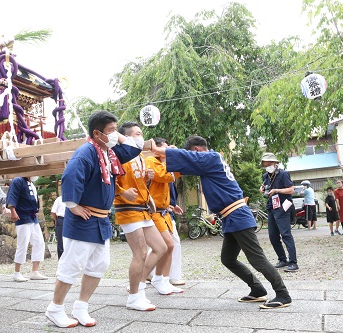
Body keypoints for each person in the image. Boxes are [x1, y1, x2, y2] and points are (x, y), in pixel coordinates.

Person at [151, 136, 292, 309]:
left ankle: (283, 294)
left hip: (238, 215)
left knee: (256, 258)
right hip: (231, 217)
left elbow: (186, 158)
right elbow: (183, 165)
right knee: (228, 259)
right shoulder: (211, 162)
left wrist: (155, 149)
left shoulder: (211, 157)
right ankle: (257, 289)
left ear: (196, 150)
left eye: (192, 154)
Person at [45, 111, 141, 328]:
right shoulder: (86, 151)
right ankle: (55, 308)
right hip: (83, 219)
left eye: (116, 130)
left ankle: (81, 306)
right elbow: (70, 176)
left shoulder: (109, 153)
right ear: (97, 133)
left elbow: (136, 146)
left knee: (99, 265)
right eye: (111, 130)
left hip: (101, 220)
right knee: (72, 265)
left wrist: (120, 136)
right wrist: (72, 205)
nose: (115, 134)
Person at [113, 122, 167, 311]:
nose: (141, 136)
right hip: (127, 208)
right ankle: (134, 297)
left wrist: (148, 176)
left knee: (161, 247)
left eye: (141, 133)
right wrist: (121, 192)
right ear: (127, 137)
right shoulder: (118, 154)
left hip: (143, 207)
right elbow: (107, 181)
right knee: (140, 253)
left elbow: (139, 182)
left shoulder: (141, 156)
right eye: (136, 134)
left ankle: (139, 287)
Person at [145, 137, 185, 292]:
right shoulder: (151, 161)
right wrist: (173, 158)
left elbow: (168, 181)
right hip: (154, 212)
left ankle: (164, 279)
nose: (167, 151)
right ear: (157, 150)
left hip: (164, 211)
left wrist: (171, 205)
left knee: (170, 246)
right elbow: (164, 176)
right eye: (165, 148)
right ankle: (144, 280)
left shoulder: (162, 163)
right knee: (165, 245)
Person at [260, 153, 298, 273]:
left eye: (270, 164)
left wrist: (277, 190)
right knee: (273, 236)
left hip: (283, 206)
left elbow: (291, 189)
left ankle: (293, 262)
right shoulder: (265, 175)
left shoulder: (283, 174)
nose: (268, 166)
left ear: (275, 163)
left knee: (286, 234)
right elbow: (265, 186)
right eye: (266, 164)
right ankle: (282, 259)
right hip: (271, 207)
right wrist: (262, 189)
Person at [6, 176, 48, 282]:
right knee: (22, 244)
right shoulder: (18, 180)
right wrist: (13, 211)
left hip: (32, 217)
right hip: (22, 216)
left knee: (39, 242)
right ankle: (17, 272)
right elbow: (12, 196)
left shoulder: (31, 183)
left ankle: (35, 271)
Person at [51, 195, 66, 259]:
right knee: (60, 242)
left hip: (72, 220)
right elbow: (53, 212)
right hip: (61, 219)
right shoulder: (59, 199)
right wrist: (57, 220)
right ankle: (61, 259)